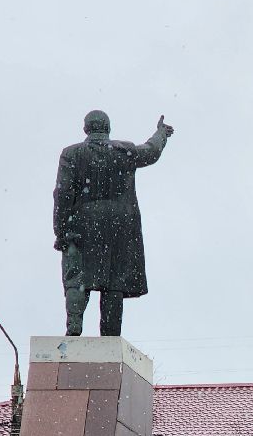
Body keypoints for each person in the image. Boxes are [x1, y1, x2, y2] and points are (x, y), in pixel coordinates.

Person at [53, 111, 174, 337]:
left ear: (85, 129)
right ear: (108, 128)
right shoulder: (123, 151)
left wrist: (61, 231)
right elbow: (151, 151)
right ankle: (110, 336)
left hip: (83, 221)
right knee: (113, 282)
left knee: (78, 277)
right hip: (119, 224)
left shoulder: (72, 153)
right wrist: (161, 134)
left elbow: (63, 194)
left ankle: (74, 325)